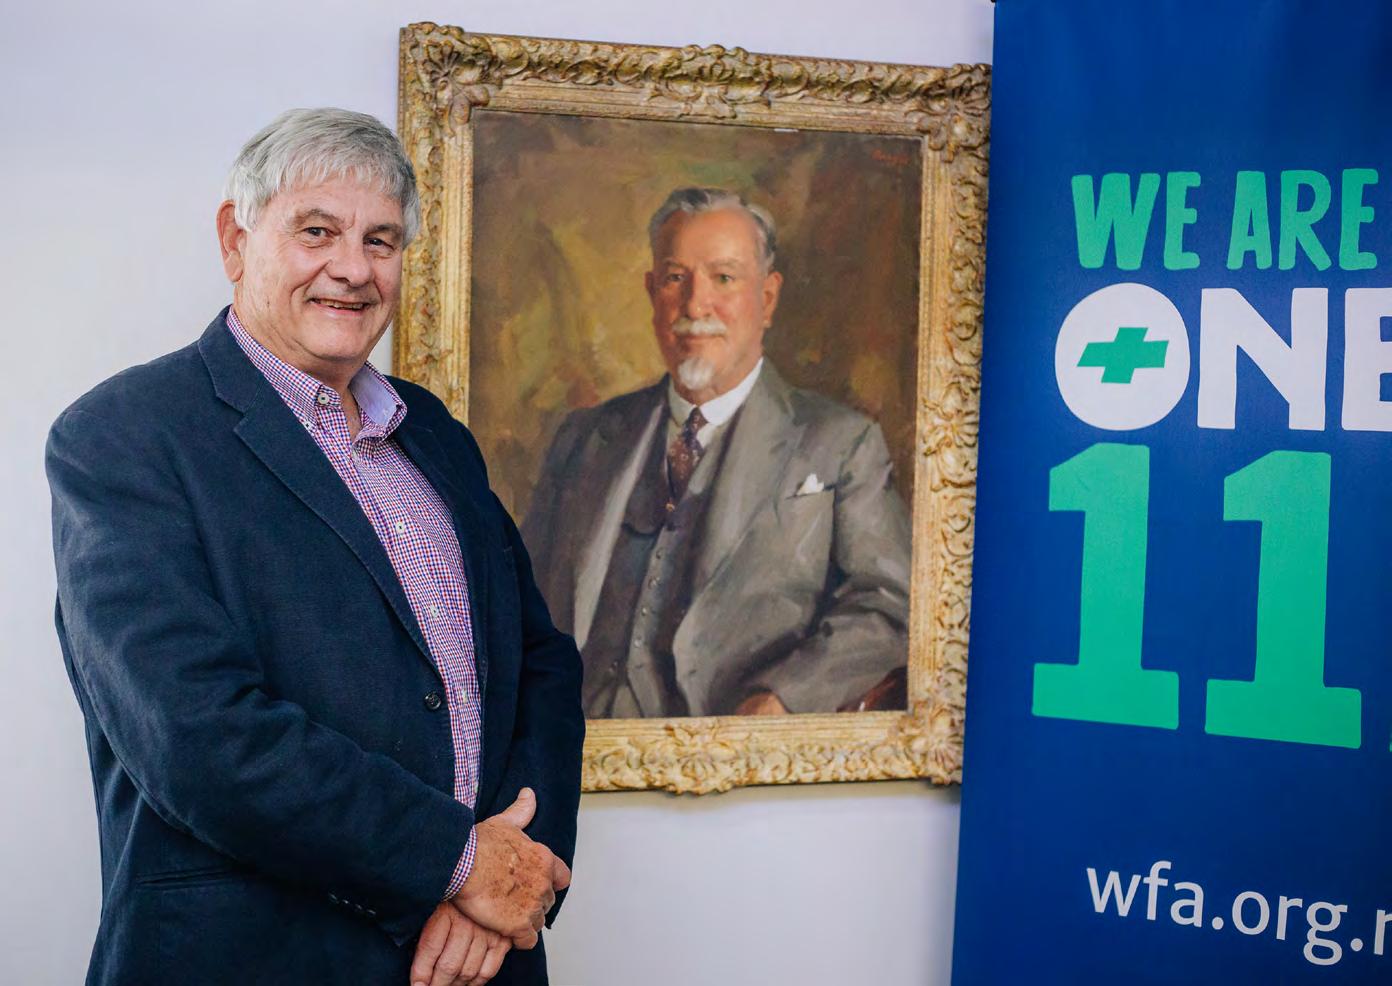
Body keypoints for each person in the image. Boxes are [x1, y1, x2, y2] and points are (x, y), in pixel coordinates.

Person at [45, 108, 583, 986]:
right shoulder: (124, 436)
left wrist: (519, 867)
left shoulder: (434, 433)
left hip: (480, 964)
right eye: (317, 232)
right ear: (236, 239)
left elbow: (542, 664)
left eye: (380, 240)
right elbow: (199, 737)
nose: (353, 269)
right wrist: (457, 862)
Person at [522, 186, 911, 720]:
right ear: (652, 292)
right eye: (675, 278)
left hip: (731, 756)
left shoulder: (840, 444)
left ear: (767, 299)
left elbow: (889, 602)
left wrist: (783, 699)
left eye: (723, 278)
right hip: (580, 749)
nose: (694, 305)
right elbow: (518, 604)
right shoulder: (583, 439)